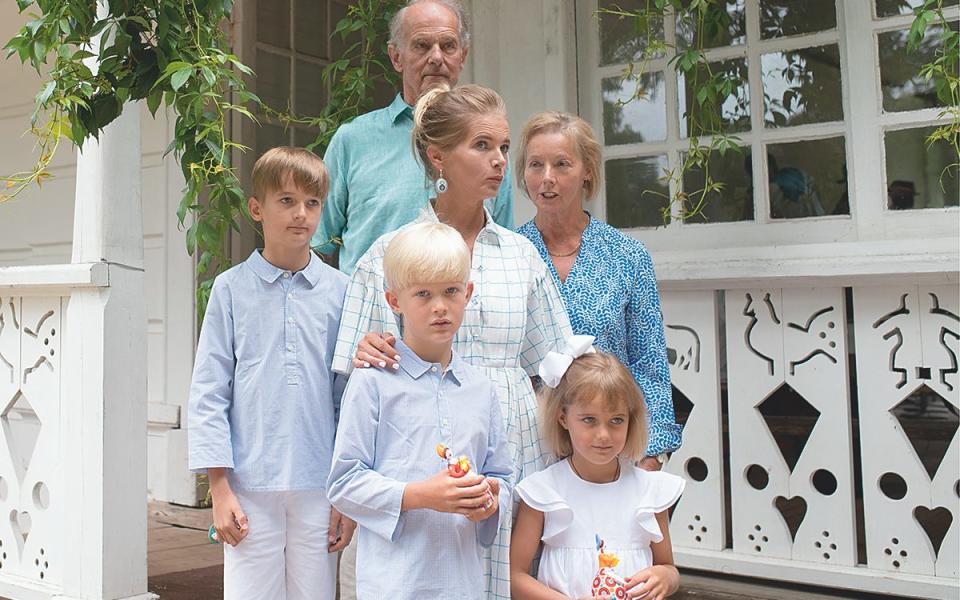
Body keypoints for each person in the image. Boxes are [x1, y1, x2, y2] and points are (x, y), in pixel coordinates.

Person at [336, 84, 573, 599]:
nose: (499, 161)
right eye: (482, 146)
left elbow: (558, 368)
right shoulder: (388, 255)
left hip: (511, 461)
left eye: (504, 147)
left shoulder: (520, 255)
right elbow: (356, 377)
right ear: (438, 157)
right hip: (419, 461)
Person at [187, 147, 354, 600]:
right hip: (249, 485)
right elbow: (209, 391)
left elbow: (350, 397)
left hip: (321, 485)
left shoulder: (342, 293)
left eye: (312, 203)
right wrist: (219, 489)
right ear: (256, 208)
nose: (301, 214)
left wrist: (347, 493)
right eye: (286, 201)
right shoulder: (230, 290)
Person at [327, 221, 513, 599]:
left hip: (463, 585)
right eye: (423, 294)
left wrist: (489, 497)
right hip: (394, 584)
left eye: (450, 291)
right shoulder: (372, 383)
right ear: (394, 300)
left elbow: (504, 480)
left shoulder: (481, 390)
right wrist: (421, 495)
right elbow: (343, 483)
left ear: (468, 292)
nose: (440, 306)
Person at [515, 112, 681, 470]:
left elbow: (649, 365)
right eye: (535, 165)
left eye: (562, 165)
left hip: (611, 455)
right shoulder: (508, 254)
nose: (547, 179)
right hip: (528, 454)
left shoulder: (626, 256)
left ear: (587, 170)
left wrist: (650, 457)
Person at [312, 0, 514, 274]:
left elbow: (501, 246)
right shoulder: (353, 141)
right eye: (421, 45)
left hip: (464, 312)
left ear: (463, 56)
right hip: (372, 311)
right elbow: (317, 247)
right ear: (396, 57)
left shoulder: (492, 151)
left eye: (448, 45)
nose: (436, 57)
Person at [510, 336, 685, 600]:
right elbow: (514, 577)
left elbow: (668, 567)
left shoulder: (649, 491)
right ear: (563, 418)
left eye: (616, 420)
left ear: (631, 420)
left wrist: (666, 577)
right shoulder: (543, 491)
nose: (603, 434)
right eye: (589, 420)